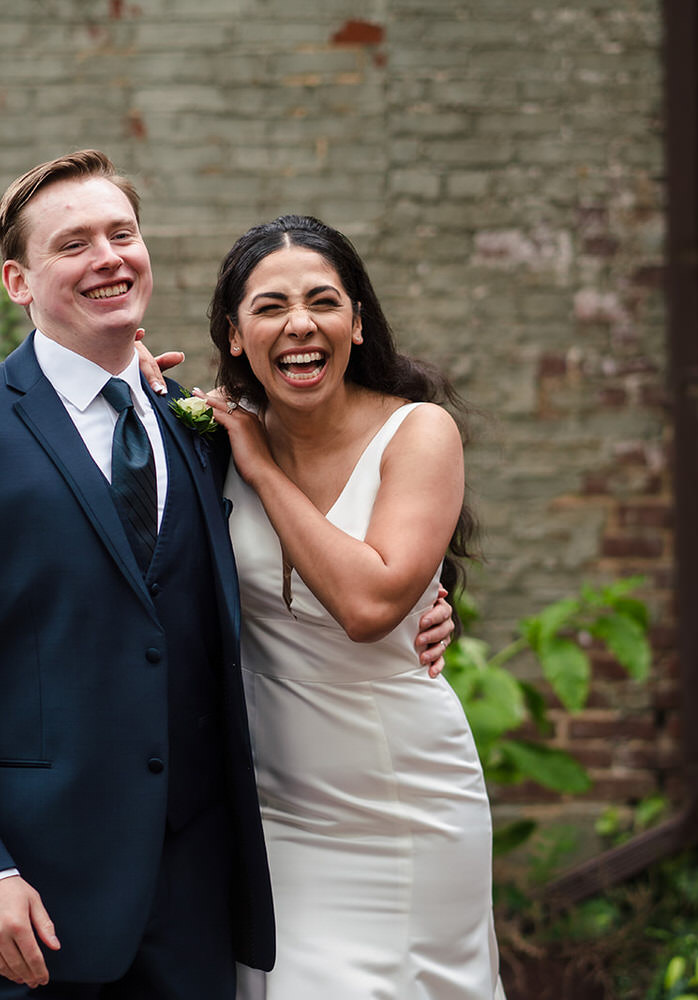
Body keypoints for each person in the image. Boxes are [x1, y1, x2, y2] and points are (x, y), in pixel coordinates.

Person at [0, 153, 454, 999]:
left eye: (122, 234)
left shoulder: (205, 429)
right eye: (73, 244)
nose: (108, 257)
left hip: (201, 904)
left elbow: (312, 552)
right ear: (17, 281)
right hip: (37, 901)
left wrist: (429, 609)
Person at [196, 215, 504, 999]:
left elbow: (368, 606)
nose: (299, 324)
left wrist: (262, 471)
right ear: (235, 336)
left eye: (323, 301)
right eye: (269, 307)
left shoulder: (419, 432)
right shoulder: (210, 443)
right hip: (278, 813)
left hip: (409, 802)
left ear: (357, 322)